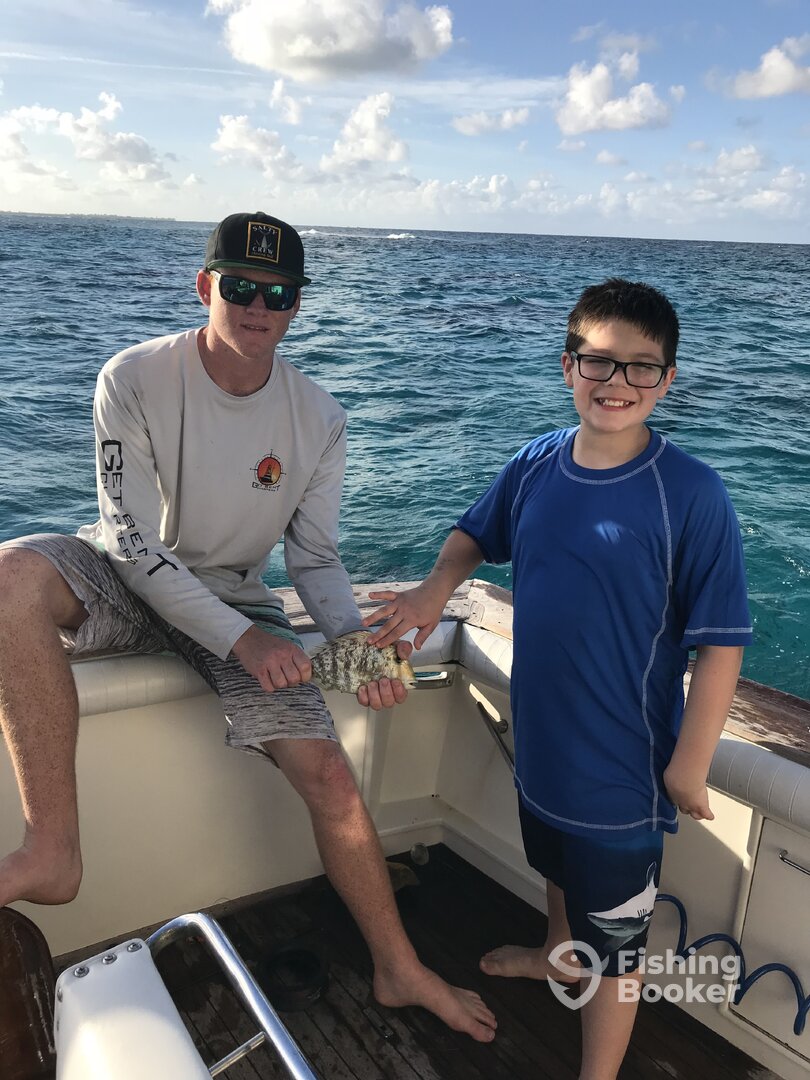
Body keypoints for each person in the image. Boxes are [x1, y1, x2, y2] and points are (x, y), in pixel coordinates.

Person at [0, 211, 496, 1042]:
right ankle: (51, 848)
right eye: (240, 286)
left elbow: (316, 560)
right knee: (10, 575)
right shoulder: (133, 376)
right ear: (205, 286)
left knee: (331, 777)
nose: (259, 306)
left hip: (238, 599)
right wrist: (243, 642)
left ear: (297, 304)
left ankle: (400, 968)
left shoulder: (319, 417)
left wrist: (357, 647)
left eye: (279, 293)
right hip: (126, 579)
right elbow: (129, 539)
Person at [364, 278, 752, 1078]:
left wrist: (689, 765)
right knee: (554, 865)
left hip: (622, 774)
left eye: (642, 367)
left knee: (616, 948)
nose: (617, 383)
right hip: (542, 745)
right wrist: (434, 589)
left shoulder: (692, 494)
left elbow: (720, 645)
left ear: (668, 380)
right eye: (598, 361)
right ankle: (554, 952)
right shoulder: (536, 461)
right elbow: (475, 534)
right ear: (568, 365)